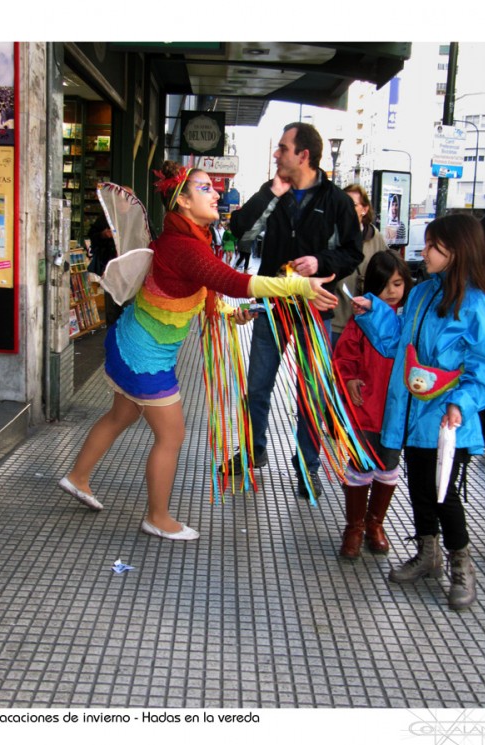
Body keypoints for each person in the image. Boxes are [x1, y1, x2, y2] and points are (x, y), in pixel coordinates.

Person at [58, 161, 338, 541]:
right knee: (172, 436)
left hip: (135, 343)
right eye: (206, 188)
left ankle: (77, 477)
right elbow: (236, 282)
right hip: (144, 355)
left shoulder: (188, 240)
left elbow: (200, 291)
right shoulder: (185, 245)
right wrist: (299, 287)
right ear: (184, 202)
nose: (216, 193)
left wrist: (227, 312)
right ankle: (157, 517)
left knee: (120, 415)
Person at [351, 213, 485, 609]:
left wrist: (460, 404)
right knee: (419, 490)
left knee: (444, 494)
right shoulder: (422, 293)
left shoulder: (477, 305)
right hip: (411, 415)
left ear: (456, 251)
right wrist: (372, 311)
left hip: (447, 421)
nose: (423, 251)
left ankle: (461, 564)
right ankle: (428, 555)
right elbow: (398, 344)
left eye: (432, 245)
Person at [228, 122, 363, 499]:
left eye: (283, 149)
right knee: (256, 387)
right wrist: (271, 192)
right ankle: (253, 452)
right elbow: (239, 231)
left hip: (313, 312)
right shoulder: (274, 193)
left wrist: (318, 261)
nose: (277, 154)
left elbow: (353, 252)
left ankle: (308, 466)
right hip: (270, 308)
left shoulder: (336, 201)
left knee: (311, 393)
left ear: (303, 155)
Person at [332, 251, 412, 558]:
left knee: (388, 465)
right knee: (360, 464)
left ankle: (375, 523)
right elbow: (344, 356)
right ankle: (354, 527)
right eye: (384, 285)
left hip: (396, 412)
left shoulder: (410, 320)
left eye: (397, 284)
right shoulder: (361, 319)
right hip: (364, 407)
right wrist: (349, 378)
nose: (391, 292)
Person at [331, 184, 388, 347]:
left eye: (352, 204)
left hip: (365, 322)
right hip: (336, 320)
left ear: (364, 209)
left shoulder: (375, 238)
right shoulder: (331, 235)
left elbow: (387, 271)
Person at [87, 213, 125, 326]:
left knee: (129, 305)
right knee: (112, 306)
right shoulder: (107, 215)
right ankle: (112, 334)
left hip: (130, 268)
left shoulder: (136, 215)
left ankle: (126, 335)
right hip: (110, 268)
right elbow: (93, 236)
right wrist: (103, 235)